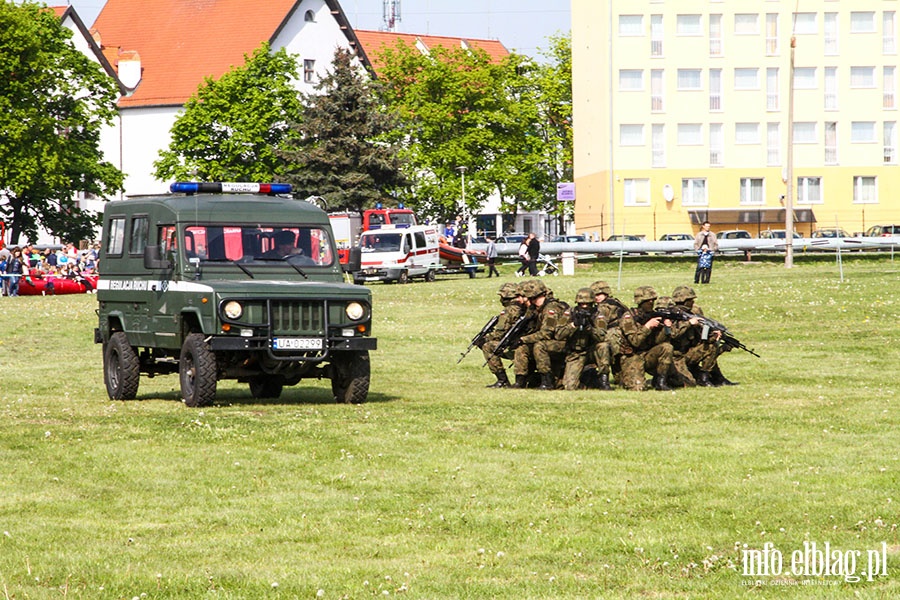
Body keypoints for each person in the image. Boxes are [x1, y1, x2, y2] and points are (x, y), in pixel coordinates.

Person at [513, 279, 568, 390]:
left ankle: (547, 381)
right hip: (548, 341)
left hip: (562, 343)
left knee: (539, 346)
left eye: (533, 298)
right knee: (522, 348)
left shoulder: (551, 309)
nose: (532, 301)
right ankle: (520, 380)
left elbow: (547, 333)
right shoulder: (535, 308)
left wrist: (523, 339)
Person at [618, 286, 674, 391]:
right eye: (648, 301)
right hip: (632, 356)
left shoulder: (653, 315)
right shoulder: (628, 318)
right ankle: (626, 378)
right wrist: (647, 326)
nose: (651, 303)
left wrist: (666, 328)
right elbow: (635, 342)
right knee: (638, 388)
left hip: (649, 355)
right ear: (640, 301)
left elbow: (658, 341)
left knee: (667, 347)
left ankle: (660, 381)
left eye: (653, 300)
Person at [555, 288, 608, 390]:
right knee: (570, 386)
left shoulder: (598, 315)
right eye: (581, 304)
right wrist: (573, 325)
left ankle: (604, 380)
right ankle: (588, 379)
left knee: (603, 346)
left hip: (592, 351)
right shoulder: (569, 313)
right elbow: (558, 334)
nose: (584, 307)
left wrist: (590, 328)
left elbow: (601, 337)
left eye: (587, 304)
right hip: (576, 353)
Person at [481, 282, 527, 388]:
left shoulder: (509, 310)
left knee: (488, 347)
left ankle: (502, 380)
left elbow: (500, 333)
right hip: (521, 342)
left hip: (517, 345)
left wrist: (485, 338)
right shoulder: (524, 308)